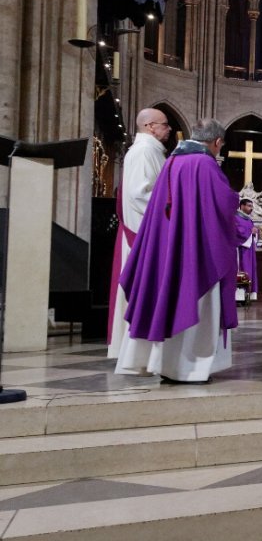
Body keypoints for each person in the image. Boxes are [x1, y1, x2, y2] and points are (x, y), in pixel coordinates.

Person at [114, 119, 242, 383]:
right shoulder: (205, 163)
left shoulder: (173, 160)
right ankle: (189, 368)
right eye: (221, 146)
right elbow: (222, 203)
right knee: (196, 302)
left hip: (173, 244)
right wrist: (237, 208)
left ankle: (165, 365)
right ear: (217, 142)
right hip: (198, 251)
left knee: (169, 300)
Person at [107, 107, 170, 358]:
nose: (168, 129)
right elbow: (138, 194)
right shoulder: (145, 151)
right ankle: (135, 352)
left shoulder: (150, 151)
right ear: (150, 127)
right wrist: (169, 214)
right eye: (164, 124)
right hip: (142, 232)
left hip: (144, 229)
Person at [234, 196, 259, 305]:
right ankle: (238, 298)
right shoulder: (235, 217)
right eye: (249, 206)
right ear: (242, 206)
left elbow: (254, 234)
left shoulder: (249, 219)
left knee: (249, 271)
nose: (251, 208)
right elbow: (237, 231)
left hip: (249, 250)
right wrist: (250, 231)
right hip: (240, 249)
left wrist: (255, 232)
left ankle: (246, 296)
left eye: (252, 206)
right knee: (241, 270)